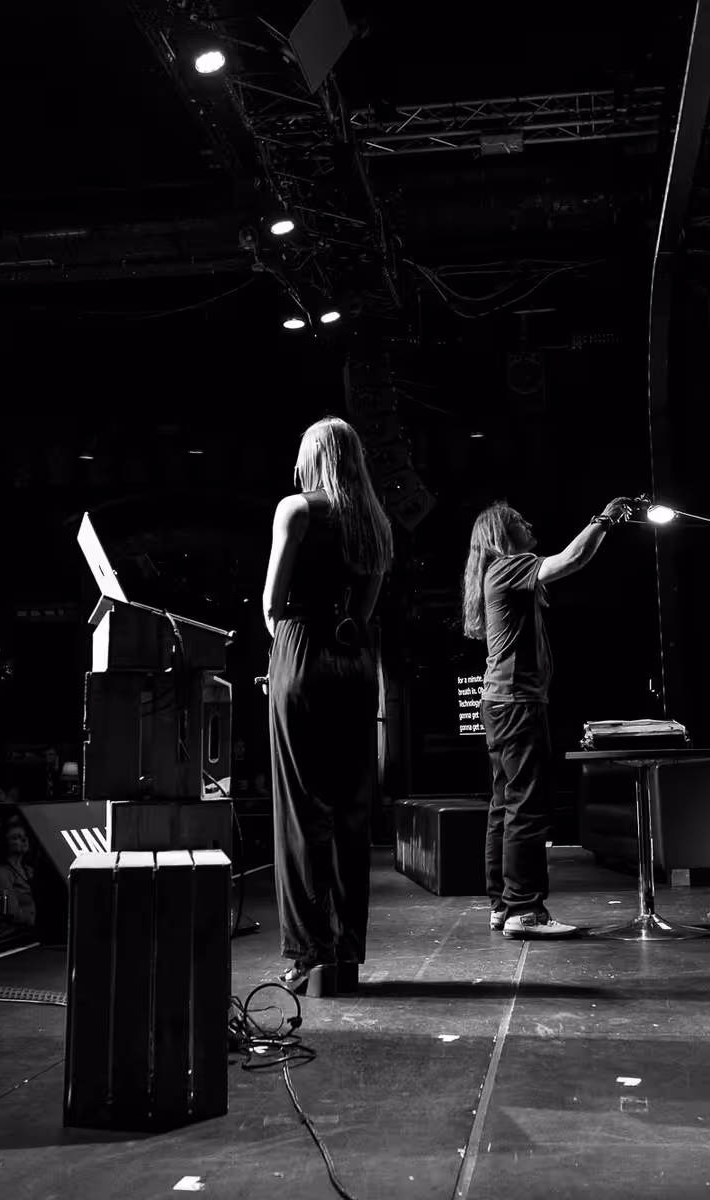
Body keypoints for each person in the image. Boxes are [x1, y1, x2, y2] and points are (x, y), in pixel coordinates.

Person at [262, 417, 393, 993]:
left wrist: (286, 663)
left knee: (299, 809)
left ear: (312, 455)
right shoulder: (376, 523)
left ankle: (305, 952)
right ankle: (346, 953)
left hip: (302, 651)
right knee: (350, 810)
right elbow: (363, 613)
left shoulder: (297, 509)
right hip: (357, 663)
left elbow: (272, 604)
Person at [462, 497, 632, 939]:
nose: (529, 522)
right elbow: (572, 558)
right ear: (502, 535)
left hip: (503, 704)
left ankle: (503, 905)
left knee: (504, 806)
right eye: (519, 519)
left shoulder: (498, 573)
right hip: (517, 704)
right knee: (526, 807)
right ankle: (525, 910)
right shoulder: (507, 567)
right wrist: (604, 520)